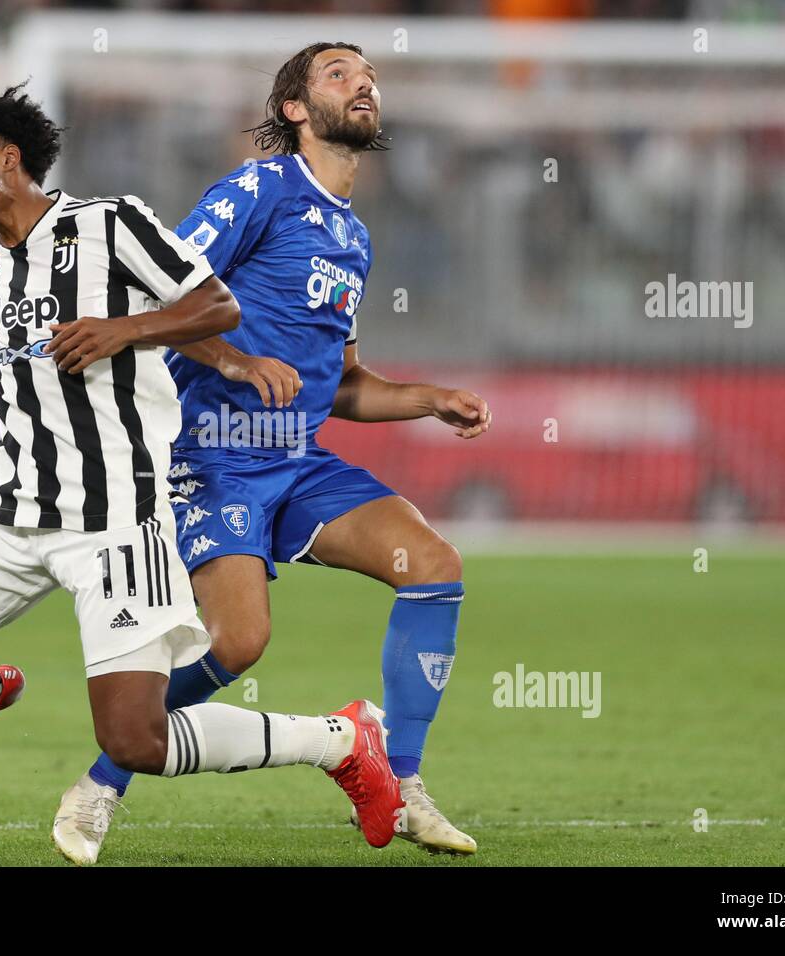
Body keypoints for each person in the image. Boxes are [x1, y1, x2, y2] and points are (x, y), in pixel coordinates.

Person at [0, 84, 404, 864]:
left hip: (113, 522)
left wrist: (122, 331)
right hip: (11, 509)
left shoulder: (109, 224)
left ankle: (337, 740)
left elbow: (214, 306)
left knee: (135, 738)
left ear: (8, 160)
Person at [55, 44, 491, 862]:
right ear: (295, 107)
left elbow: (343, 385)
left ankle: (400, 786)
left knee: (434, 564)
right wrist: (233, 361)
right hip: (209, 454)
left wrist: (428, 398)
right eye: (338, 73)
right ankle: (103, 780)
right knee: (238, 643)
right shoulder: (258, 188)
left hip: (296, 460)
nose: (363, 82)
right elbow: (163, 291)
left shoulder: (352, 238)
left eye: (370, 75)